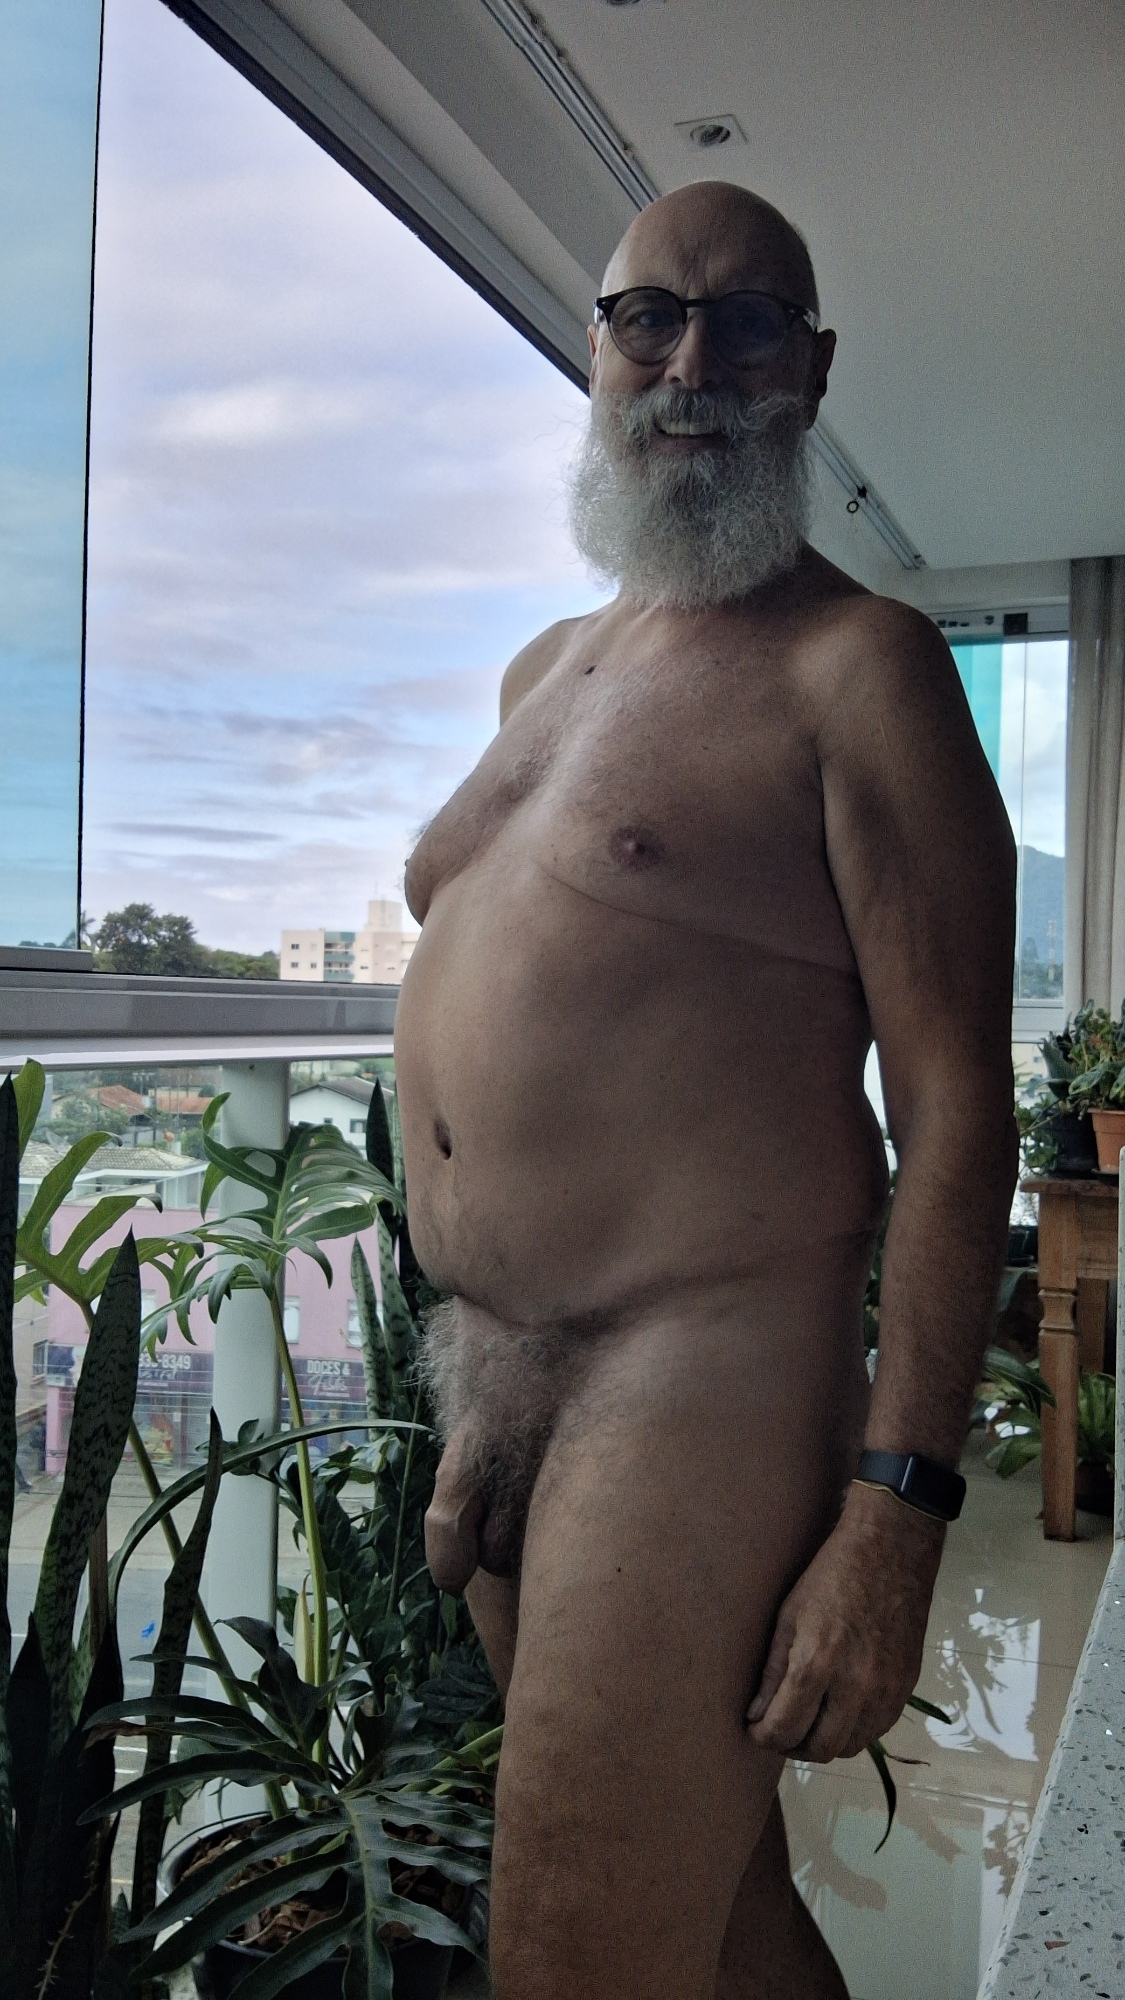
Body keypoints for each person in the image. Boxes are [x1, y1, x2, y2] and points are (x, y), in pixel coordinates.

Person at [394, 179, 1017, 1999]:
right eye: (647, 318)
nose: (690, 367)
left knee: (574, 1955)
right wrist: (484, 1351)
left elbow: (956, 1111)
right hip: (501, 1362)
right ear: (593, 353)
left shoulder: (860, 667)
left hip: (697, 1367)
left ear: (810, 371)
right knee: (717, 1922)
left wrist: (894, 1512)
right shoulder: (545, 670)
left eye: (746, 325)